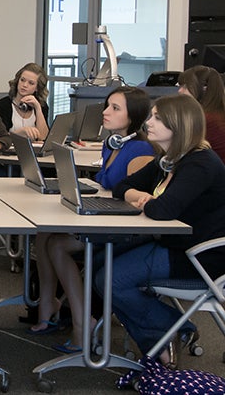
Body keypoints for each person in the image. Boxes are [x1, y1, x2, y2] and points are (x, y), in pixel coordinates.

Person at [100, 93, 225, 367]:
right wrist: (141, 197)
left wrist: (150, 202)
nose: (148, 123)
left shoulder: (200, 163)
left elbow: (163, 210)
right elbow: (121, 187)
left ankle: (170, 332)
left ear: (178, 125)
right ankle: (168, 333)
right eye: (151, 116)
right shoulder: (169, 159)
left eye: (158, 118)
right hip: (173, 244)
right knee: (100, 262)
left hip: (200, 256)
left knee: (110, 279)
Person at [34, 85, 154, 353]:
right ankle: (48, 305)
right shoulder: (112, 145)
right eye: (107, 106)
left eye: (115, 108)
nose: (106, 112)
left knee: (57, 244)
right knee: (43, 234)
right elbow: (107, 185)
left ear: (133, 116)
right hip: (104, 213)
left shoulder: (140, 151)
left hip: (123, 226)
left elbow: (136, 198)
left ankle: (82, 322)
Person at [177, 65, 225, 163]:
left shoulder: (206, 120)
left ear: (204, 88)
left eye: (186, 87)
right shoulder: (217, 115)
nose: (180, 91)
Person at [0, 62, 50, 140]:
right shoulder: (3, 105)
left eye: (31, 83)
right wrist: (21, 132)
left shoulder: (42, 106)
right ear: (18, 80)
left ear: (37, 88)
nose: (24, 85)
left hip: (33, 151)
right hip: (9, 151)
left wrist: (38, 108)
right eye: (22, 80)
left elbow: (43, 137)